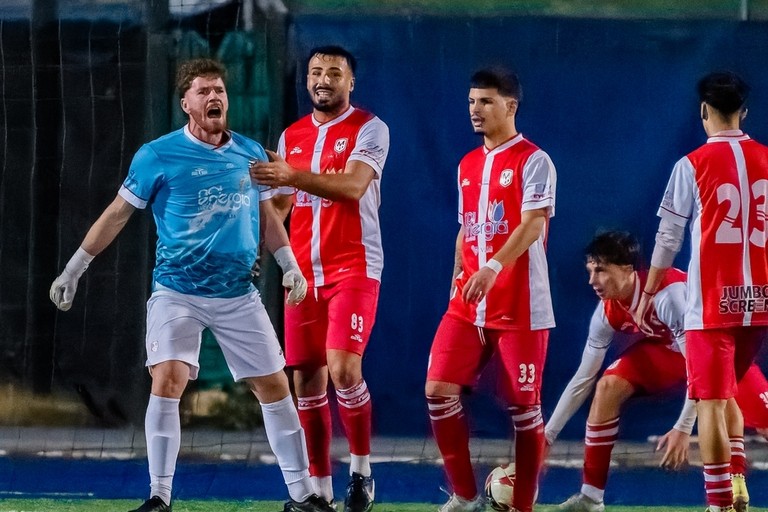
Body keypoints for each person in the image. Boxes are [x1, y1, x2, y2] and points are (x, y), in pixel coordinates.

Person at [49, 58, 334, 512]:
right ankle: (159, 495)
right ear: (186, 103)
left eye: (219, 90)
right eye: (203, 91)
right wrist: (74, 268)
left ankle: (304, 496)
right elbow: (118, 213)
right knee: (168, 378)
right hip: (177, 291)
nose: (214, 97)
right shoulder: (157, 155)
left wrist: (290, 266)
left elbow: (267, 218)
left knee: (276, 388)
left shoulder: (250, 153)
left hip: (239, 294)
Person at [251, 45, 389, 512]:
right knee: (306, 382)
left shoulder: (369, 128)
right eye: (315, 72)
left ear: (351, 82)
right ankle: (321, 495)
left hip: (354, 267)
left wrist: (292, 173)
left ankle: (361, 472)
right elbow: (286, 204)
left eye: (334, 72)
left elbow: (352, 187)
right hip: (303, 276)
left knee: (345, 368)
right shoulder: (293, 135)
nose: (323, 79)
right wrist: (255, 240)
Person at [546, 231, 768, 512]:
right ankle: (591, 497)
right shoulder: (608, 311)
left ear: (627, 268)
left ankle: (735, 479)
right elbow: (583, 378)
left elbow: (701, 375)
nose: (593, 281)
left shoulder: (669, 296)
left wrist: (682, 429)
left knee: (752, 417)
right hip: (669, 354)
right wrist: (547, 436)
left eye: (601, 270)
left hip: (715, 352)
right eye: (590, 271)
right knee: (607, 387)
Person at [423, 67, 556, 512]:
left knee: (523, 407)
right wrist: (456, 279)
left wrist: (494, 267)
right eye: (471, 102)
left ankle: (522, 505)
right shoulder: (466, 163)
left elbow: (534, 223)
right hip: (467, 303)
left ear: (510, 106)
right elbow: (466, 231)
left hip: (521, 306)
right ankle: (464, 496)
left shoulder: (535, 160)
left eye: (485, 102)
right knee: (438, 389)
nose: (475, 111)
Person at [636, 71, 768, 512]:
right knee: (727, 392)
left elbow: (668, 237)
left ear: (703, 111)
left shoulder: (691, 164)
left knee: (710, 402)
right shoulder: (767, 159)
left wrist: (649, 288)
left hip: (711, 306)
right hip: (760, 304)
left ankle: (717, 503)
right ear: (744, 112)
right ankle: (737, 481)